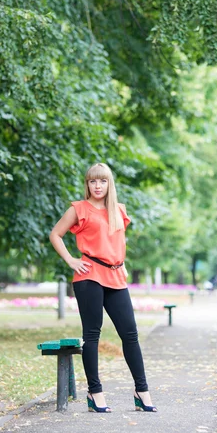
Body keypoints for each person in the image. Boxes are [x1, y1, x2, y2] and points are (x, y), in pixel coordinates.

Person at [49, 162, 156, 413]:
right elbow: (56, 234)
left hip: (116, 276)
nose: (98, 186)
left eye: (103, 181)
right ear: (87, 184)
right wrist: (71, 260)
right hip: (89, 276)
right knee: (92, 335)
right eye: (93, 181)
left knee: (130, 334)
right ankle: (94, 392)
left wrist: (122, 263)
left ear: (110, 184)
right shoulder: (79, 209)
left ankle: (141, 390)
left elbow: (115, 241)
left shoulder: (119, 210)